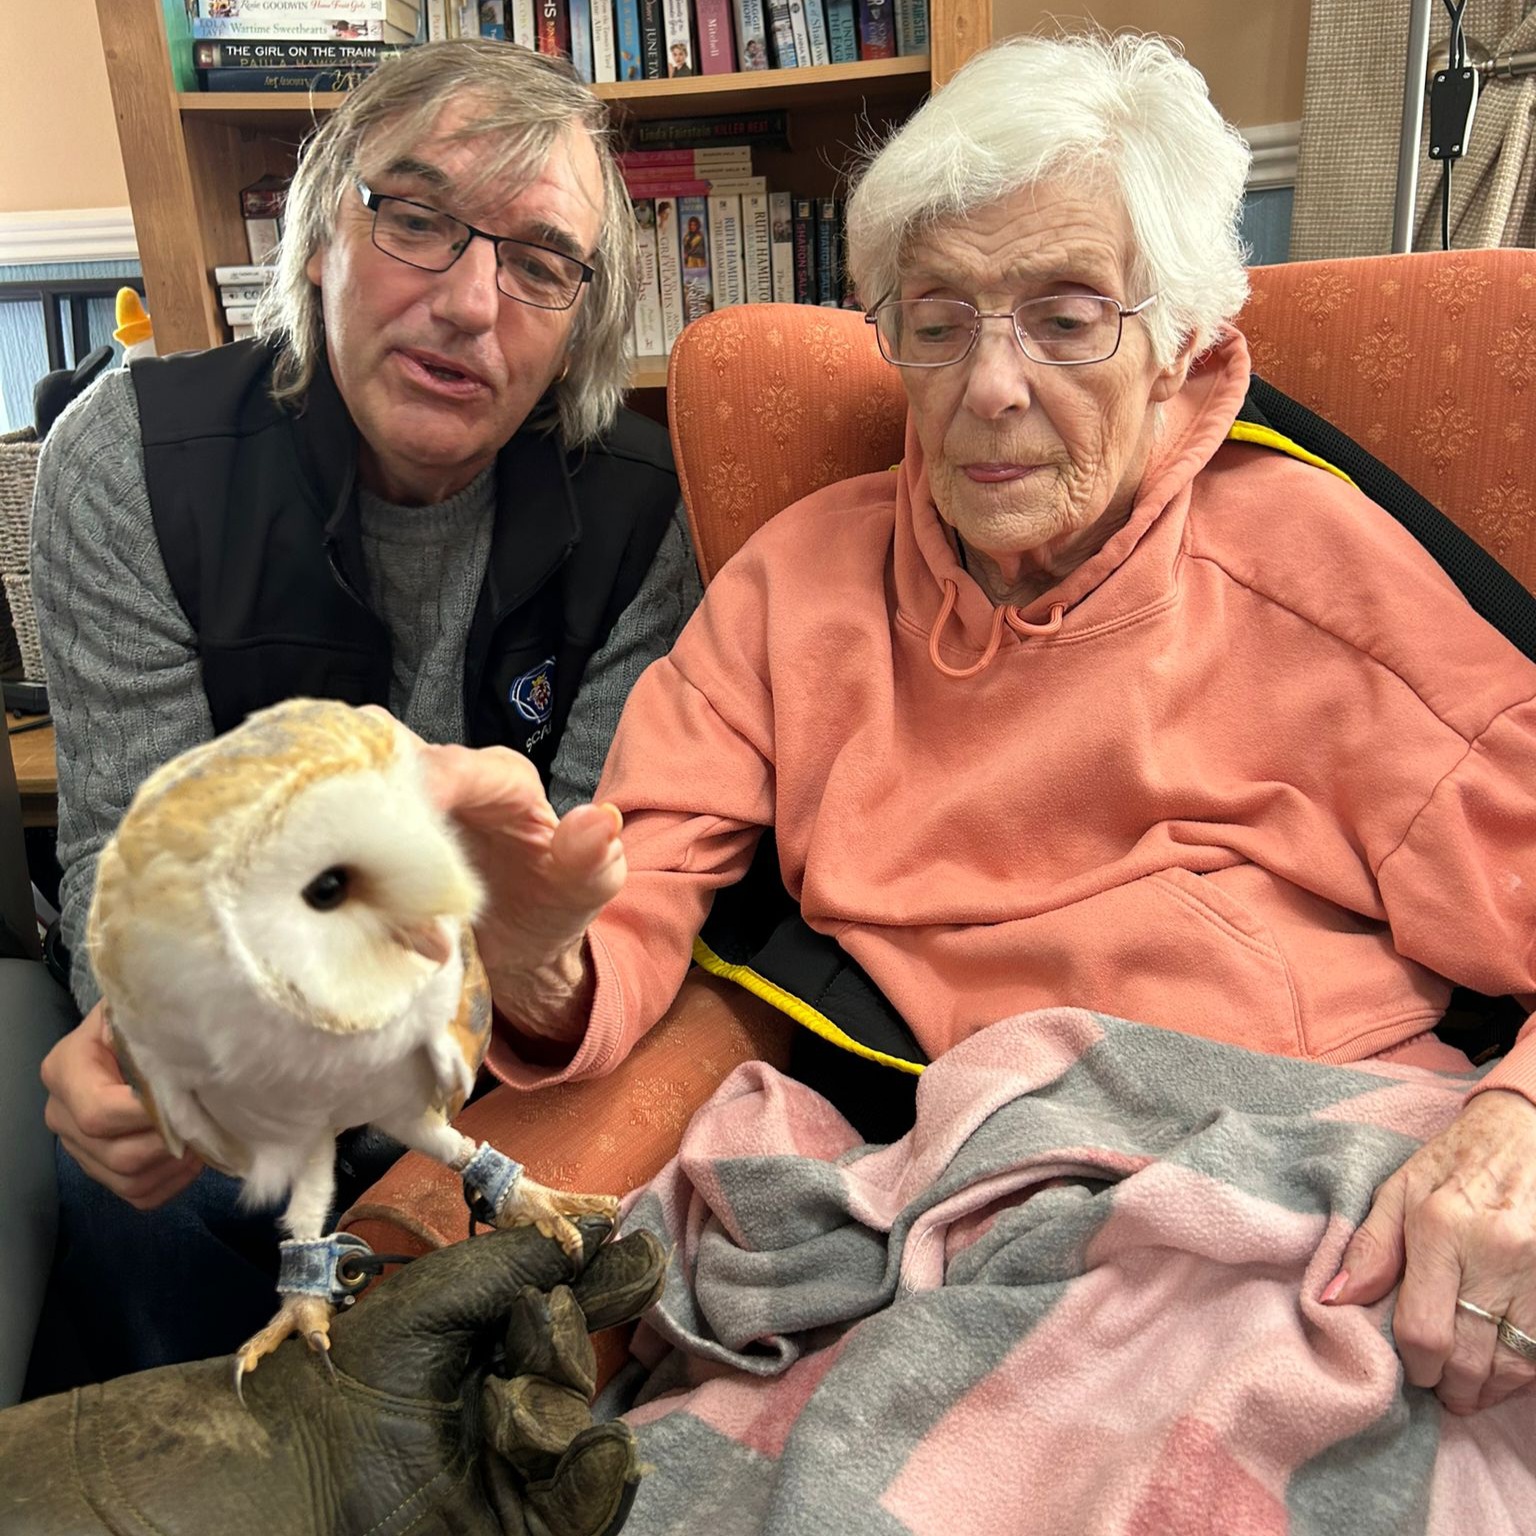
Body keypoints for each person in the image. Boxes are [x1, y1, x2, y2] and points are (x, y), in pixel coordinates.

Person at [398, 32, 1536, 1422]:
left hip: (1288, 1178)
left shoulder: (1309, 569)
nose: (990, 386)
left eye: (1066, 317)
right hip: (957, 1193)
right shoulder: (798, 588)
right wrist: (532, 953)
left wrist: (1517, 1127)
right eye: (938, 321)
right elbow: (628, 905)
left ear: (1179, 341)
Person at [26, 38, 700, 1389]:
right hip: (231, 1037)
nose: (469, 303)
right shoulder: (125, 463)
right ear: (319, 233)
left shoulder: (649, 517)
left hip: (471, 1061)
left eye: (541, 261)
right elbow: (118, 860)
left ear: (580, 321)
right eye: (418, 218)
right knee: (133, 1186)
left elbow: (572, 912)